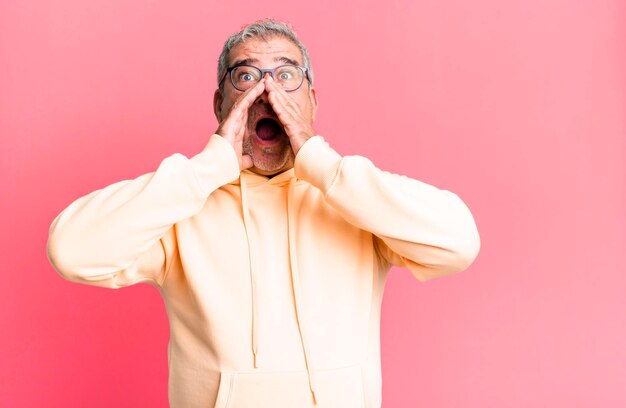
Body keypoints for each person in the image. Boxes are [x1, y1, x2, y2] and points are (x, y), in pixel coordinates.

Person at [47, 19, 480, 408]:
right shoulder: (183, 205)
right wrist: (207, 169)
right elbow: (71, 250)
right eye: (247, 76)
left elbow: (458, 243)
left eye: (286, 75)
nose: (266, 91)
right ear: (220, 103)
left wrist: (322, 163)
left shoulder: (354, 200)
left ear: (311, 99)